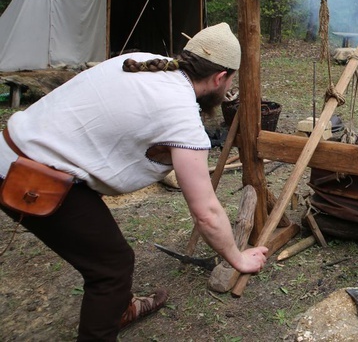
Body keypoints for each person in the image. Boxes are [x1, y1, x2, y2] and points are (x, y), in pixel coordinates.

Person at [0, 22, 268, 341]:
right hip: (31, 178)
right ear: (220, 78)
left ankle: (119, 309)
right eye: (230, 82)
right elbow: (207, 212)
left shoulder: (141, 60)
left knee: (107, 245)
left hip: (15, 148)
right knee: (112, 268)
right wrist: (237, 258)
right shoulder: (183, 120)